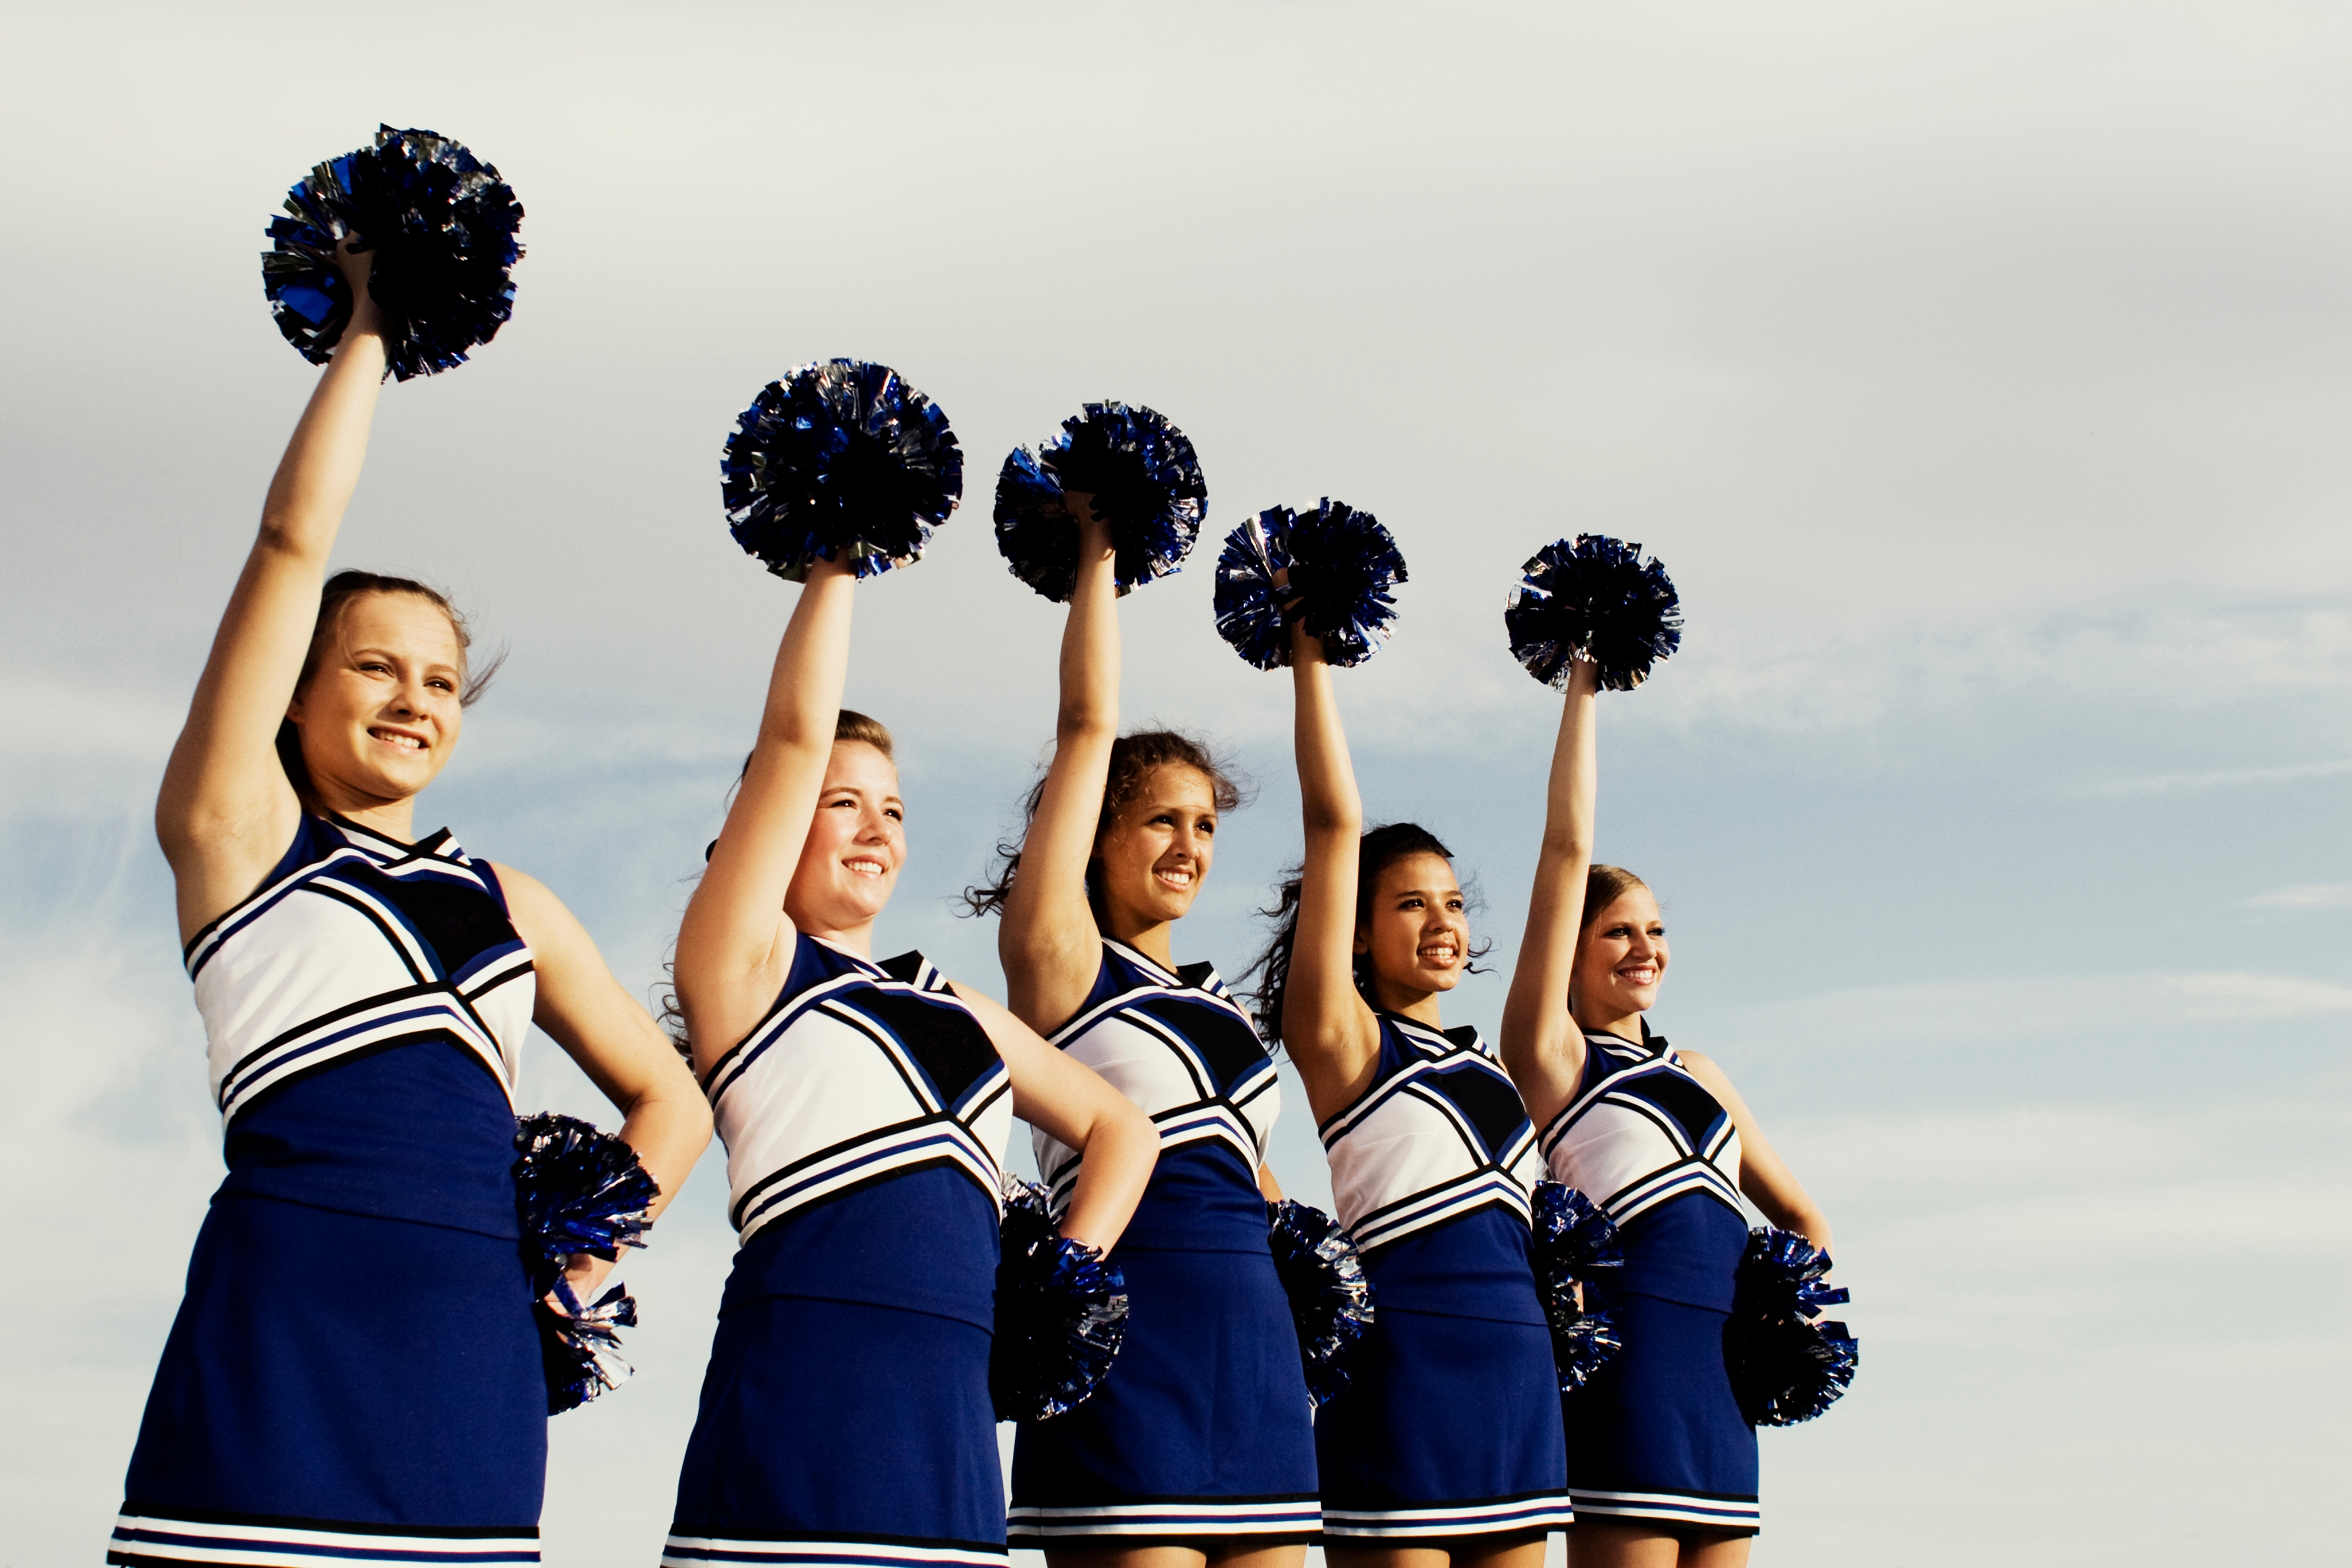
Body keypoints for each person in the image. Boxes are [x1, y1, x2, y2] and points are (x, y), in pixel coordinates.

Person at [114, 243, 712, 1568]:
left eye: (442, 681)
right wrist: (371, 323)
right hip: (284, 1335)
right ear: (292, 691)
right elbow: (291, 540)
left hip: (472, 1368)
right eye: (375, 668)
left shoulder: (511, 901)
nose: (413, 701)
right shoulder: (237, 838)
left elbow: (672, 1099)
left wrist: (571, 1271)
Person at [662, 550, 1159, 1568]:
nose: (875, 828)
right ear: (769, 822)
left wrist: (1063, 1275)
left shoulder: (949, 998)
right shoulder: (746, 963)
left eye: (892, 809)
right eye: (841, 803)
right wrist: (840, 555)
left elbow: (1123, 1130)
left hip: (949, 1413)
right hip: (804, 1382)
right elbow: (795, 735)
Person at [971, 502, 1320, 1563]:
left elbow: (1251, 1177)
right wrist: (1099, 552)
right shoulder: (1062, 962)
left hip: (1253, 1357)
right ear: (1099, 832)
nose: (1188, 844)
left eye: (1207, 825)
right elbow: (1086, 727)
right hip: (1126, 1346)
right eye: (1162, 818)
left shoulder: (1224, 1011)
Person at [1495, 656, 1834, 1565]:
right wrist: (1583, 687)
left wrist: (1787, 1322)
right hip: (1631, 1367)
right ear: (1567, 951)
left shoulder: (1703, 1072)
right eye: (1617, 931)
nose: (1644, 947)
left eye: (1655, 929)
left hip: (1720, 1376)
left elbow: (1802, 1216)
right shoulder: (1553, 1058)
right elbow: (1565, 852)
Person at [1249, 613, 1571, 1568]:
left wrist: (1581, 686)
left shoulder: (1495, 1072)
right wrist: (1309, 658)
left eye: (1455, 903)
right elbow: (1332, 823)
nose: (1441, 921)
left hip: (1516, 1381)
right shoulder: (1345, 1042)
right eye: (1409, 903)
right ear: (1353, 930)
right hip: (1403, 1378)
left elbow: (1564, 850)